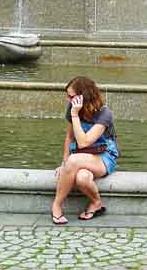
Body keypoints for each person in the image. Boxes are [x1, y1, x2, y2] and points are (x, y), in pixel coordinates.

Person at [50, 76, 119, 225]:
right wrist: (64, 164)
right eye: (68, 96)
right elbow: (70, 137)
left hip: (104, 156)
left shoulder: (104, 113)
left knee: (73, 161)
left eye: (71, 96)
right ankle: (96, 203)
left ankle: (56, 205)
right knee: (82, 178)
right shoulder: (72, 107)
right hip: (83, 156)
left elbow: (83, 142)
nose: (68, 100)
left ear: (84, 96)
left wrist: (75, 115)